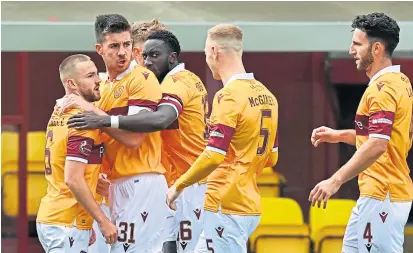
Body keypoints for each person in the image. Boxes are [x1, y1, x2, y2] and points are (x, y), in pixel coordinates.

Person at [67, 30, 209, 253]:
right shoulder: (114, 86)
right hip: (174, 181)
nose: (145, 62)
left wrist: (104, 119)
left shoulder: (174, 81)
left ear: (172, 57)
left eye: (153, 55)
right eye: (143, 56)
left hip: (188, 182)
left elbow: (159, 120)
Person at [166, 24, 279, 253]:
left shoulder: (227, 97)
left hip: (225, 203)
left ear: (215, 51)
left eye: (206, 53)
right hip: (248, 204)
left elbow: (213, 155)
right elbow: (271, 159)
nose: (207, 58)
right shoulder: (268, 96)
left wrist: (179, 185)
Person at [308, 12, 413, 253]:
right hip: (376, 194)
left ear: (376, 48)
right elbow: (382, 136)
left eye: (357, 44)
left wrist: (335, 180)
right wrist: (338, 135)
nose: (350, 51)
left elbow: (378, 144)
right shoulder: (400, 81)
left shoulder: (382, 89)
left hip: (383, 194)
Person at [63, 14, 168, 253]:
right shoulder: (104, 86)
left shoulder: (142, 78)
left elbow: (133, 139)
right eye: (114, 46)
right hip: (114, 185)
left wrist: (95, 114)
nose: (122, 52)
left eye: (127, 45)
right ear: (99, 49)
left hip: (141, 181)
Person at [36, 54, 117, 253]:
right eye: (90, 76)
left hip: (58, 217)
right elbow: (72, 179)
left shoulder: (59, 111)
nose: (98, 80)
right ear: (71, 84)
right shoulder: (82, 121)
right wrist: (102, 220)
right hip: (67, 221)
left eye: (96, 74)